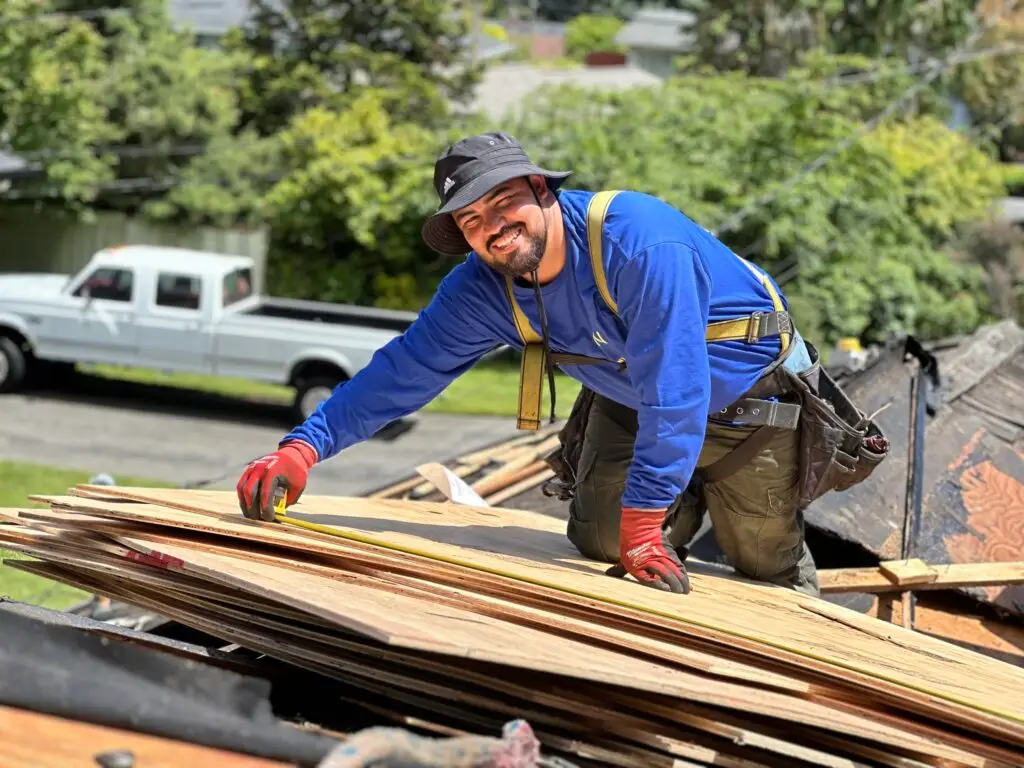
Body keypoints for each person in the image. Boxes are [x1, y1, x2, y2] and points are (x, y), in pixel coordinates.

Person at [236, 132, 888, 596]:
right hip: (633, 402)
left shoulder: (637, 239)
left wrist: (645, 517)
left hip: (750, 404)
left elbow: (678, 386)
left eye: (501, 203)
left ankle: (684, 514)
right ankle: (670, 507)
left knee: (761, 561)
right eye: (469, 220)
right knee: (603, 543)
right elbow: (402, 372)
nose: (490, 227)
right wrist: (303, 448)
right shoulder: (481, 289)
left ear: (541, 189)